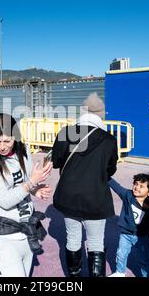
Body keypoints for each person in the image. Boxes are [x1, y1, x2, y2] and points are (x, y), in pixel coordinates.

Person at [0, 113, 52, 277]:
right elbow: (5, 200)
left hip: (27, 231)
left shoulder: (22, 151)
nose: (2, 146)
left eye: (7, 140)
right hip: (4, 236)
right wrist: (31, 183)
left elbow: (22, 183)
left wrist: (35, 189)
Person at [52, 92, 118, 277]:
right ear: (101, 114)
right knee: (96, 242)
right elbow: (111, 169)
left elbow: (56, 161)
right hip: (96, 196)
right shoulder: (108, 139)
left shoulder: (67, 133)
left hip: (68, 195)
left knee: (72, 239)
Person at [107, 174, 149, 277]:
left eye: (141, 186)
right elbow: (116, 186)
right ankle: (120, 272)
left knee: (143, 259)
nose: (136, 187)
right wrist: (105, 175)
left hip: (142, 237)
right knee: (121, 254)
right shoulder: (128, 195)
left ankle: (146, 275)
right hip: (125, 234)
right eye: (136, 184)